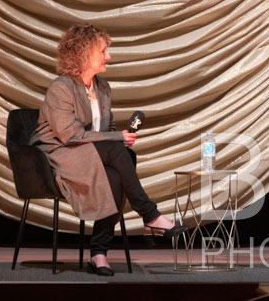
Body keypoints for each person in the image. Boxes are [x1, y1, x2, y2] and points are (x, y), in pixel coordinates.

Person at [30, 23, 185, 276]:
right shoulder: (61, 88)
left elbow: (107, 128)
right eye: (102, 51)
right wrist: (115, 138)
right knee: (116, 150)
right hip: (58, 157)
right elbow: (69, 135)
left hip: (89, 153)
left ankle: (99, 253)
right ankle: (150, 215)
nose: (108, 57)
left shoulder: (102, 88)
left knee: (119, 168)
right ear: (83, 53)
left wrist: (120, 139)